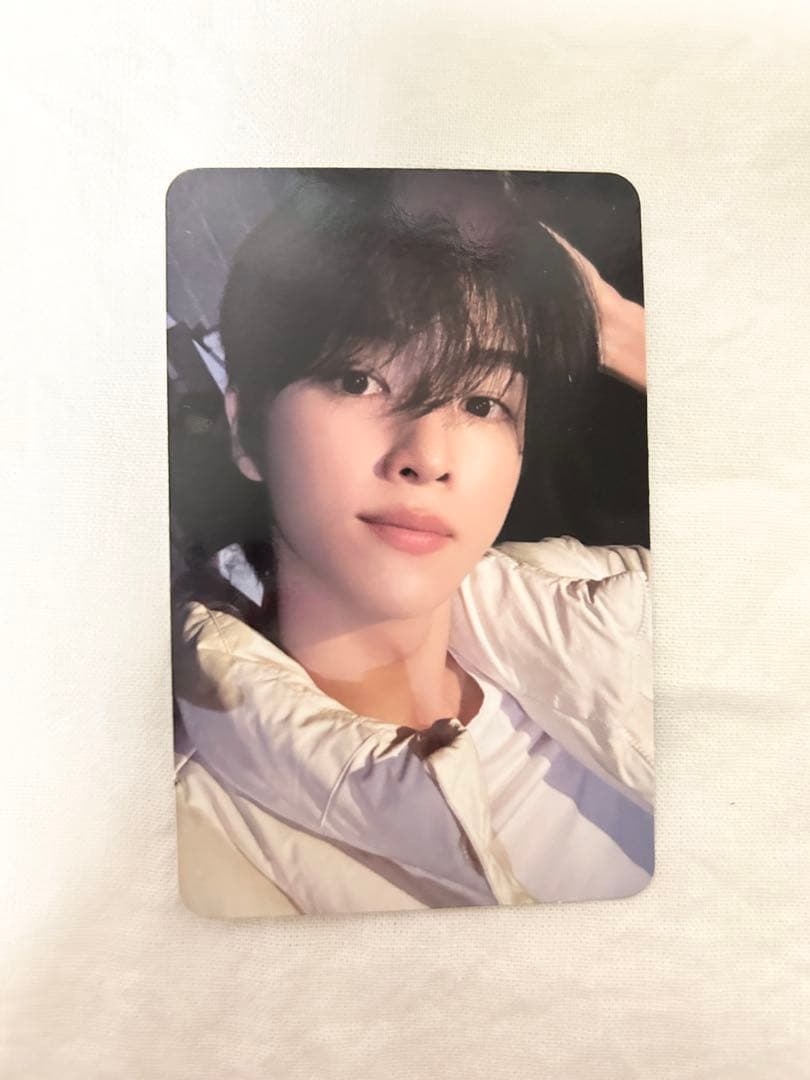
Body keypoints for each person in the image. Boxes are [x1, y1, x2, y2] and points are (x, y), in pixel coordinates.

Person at [172, 171, 653, 918]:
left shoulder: (600, 603)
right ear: (246, 430)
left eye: (482, 401)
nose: (427, 456)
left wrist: (625, 335)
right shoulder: (195, 839)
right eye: (357, 379)